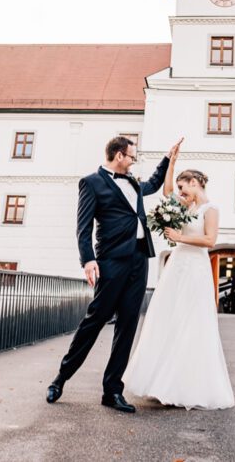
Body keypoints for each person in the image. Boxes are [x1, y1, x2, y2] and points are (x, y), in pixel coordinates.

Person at [45, 136, 180, 413]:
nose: (133, 161)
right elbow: (83, 227)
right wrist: (88, 261)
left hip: (139, 259)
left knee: (128, 324)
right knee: (94, 321)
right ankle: (60, 379)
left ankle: (112, 391)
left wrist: (168, 159)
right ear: (119, 156)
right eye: (132, 157)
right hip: (111, 261)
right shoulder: (91, 183)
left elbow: (153, 185)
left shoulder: (131, 181)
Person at [123, 143, 235, 410]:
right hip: (177, 267)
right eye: (181, 189)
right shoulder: (187, 206)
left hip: (196, 268)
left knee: (191, 321)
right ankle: (162, 382)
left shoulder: (210, 209)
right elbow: (167, 190)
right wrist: (172, 162)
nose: (181, 194)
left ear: (195, 183)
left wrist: (179, 237)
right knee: (168, 318)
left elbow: (210, 240)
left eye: (185, 188)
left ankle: (186, 385)